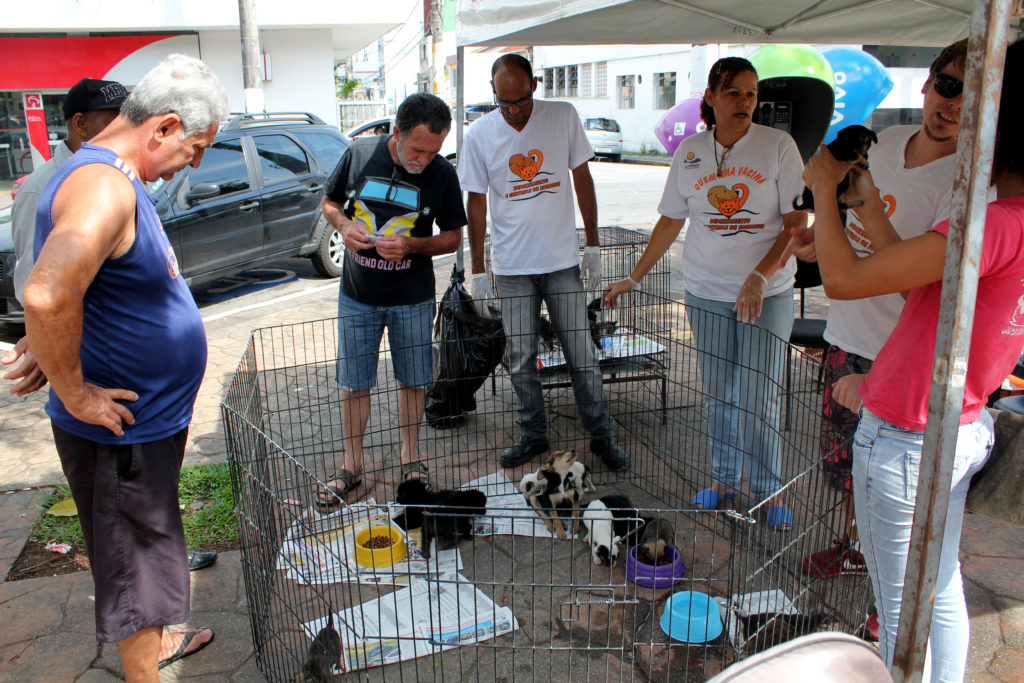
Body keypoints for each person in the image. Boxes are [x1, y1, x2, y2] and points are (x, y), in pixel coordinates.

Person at [805, 38, 1024, 682]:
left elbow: (842, 279)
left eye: (974, 101)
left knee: (902, 611)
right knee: (940, 583)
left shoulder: (990, 225)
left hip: (909, 434)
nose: (957, 112)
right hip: (956, 418)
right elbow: (935, 305)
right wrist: (865, 201)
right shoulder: (1005, 220)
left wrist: (823, 189)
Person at [21, 54, 228, 679]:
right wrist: (75, 390)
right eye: (193, 147)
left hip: (143, 429)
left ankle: (155, 655)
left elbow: (74, 286)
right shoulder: (104, 184)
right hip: (121, 435)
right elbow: (47, 292)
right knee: (137, 580)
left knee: (147, 570)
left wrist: (51, 347)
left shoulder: (110, 174)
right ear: (162, 127)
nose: (193, 163)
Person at [603, 56, 806, 527]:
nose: (745, 102)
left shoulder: (778, 146)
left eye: (752, 93)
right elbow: (671, 219)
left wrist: (758, 275)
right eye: (734, 92)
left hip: (767, 292)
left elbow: (797, 224)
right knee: (719, 392)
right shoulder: (690, 152)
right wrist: (634, 277)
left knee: (759, 393)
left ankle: (768, 491)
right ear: (711, 97)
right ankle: (723, 479)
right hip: (707, 292)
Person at [798, 40, 967, 582]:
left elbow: (915, 287)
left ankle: (895, 591)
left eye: (975, 93)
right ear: (928, 82)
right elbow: (845, 229)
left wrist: (836, 203)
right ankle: (854, 548)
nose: (955, 103)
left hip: (903, 353)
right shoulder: (888, 139)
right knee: (844, 469)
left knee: (897, 488)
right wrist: (820, 240)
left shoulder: (967, 181)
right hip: (846, 338)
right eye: (949, 84)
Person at [458, 54, 629, 471]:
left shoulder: (562, 117)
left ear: (535, 86)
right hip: (513, 266)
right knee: (520, 357)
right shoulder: (479, 134)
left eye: (521, 101)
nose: (514, 111)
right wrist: (478, 269)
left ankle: (602, 435)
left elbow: (582, 179)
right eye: (504, 103)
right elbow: (476, 204)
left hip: (559, 261)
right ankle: (533, 434)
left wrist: (592, 244)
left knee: (581, 353)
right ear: (493, 93)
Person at [318, 92, 464, 503]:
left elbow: (453, 237)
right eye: (418, 148)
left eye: (434, 151)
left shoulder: (442, 173)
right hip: (358, 296)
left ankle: (411, 458)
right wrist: (344, 226)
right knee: (354, 383)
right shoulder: (360, 153)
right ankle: (351, 465)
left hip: (413, 298)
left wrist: (413, 246)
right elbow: (329, 202)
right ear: (395, 132)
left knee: (414, 381)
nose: (425, 159)